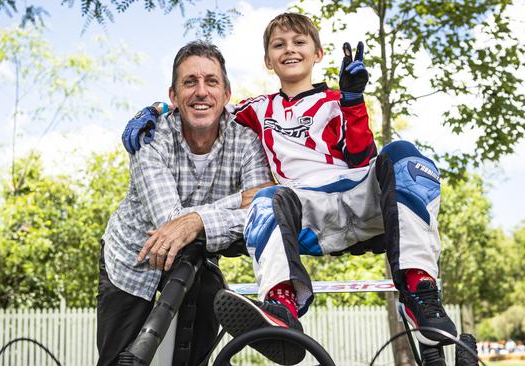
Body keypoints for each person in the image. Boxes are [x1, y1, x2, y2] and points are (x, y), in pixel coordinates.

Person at [124, 12, 457, 366]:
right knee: (266, 198)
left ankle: (420, 289)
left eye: (299, 42)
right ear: (268, 60)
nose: (290, 50)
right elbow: (207, 102)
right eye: (279, 45)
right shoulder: (258, 108)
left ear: (319, 53)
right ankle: (281, 306)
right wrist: (158, 108)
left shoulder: (338, 99)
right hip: (304, 206)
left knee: (405, 154)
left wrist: (353, 101)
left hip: (360, 197)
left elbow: (362, 156)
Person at [97, 41, 273, 366]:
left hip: (197, 256)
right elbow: (171, 223)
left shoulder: (245, 141)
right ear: (174, 97)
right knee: (121, 360)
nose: (201, 91)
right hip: (131, 258)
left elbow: (262, 209)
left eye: (211, 81)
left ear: (226, 94)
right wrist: (236, 202)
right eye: (189, 82)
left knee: (196, 350)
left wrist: (196, 222)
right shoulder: (148, 138)